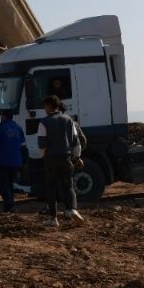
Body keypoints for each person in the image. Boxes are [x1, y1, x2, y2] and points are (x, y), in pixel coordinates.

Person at [37, 94, 84, 227]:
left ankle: (53, 219)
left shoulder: (44, 121)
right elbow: (76, 142)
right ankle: (72, 210)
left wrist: (43, 155)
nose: (44, 109)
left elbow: (42, 144)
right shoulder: (69, 120)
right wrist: (77, 157)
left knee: (51, 189)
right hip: (66, 158)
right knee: (68, 186)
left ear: (49, 106)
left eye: (45, 106)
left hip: (51, 159)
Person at [0, 111, 26, 213]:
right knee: (9, 184)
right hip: (16, 162)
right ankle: (8, 207)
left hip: (2, 162)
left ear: (4, 116)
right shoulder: (18, 128)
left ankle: (10, 206)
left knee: (2, 185)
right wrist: (24, 161)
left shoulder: (0, 128)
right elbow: (23, 147)